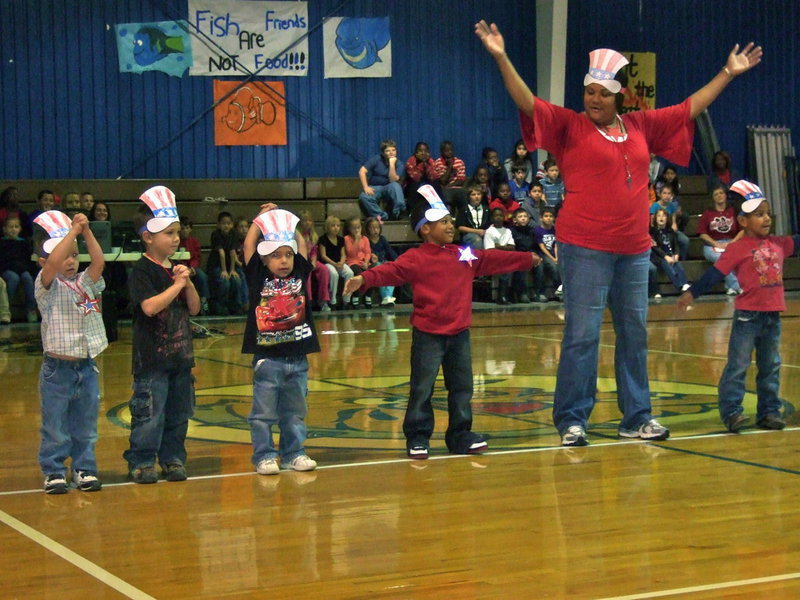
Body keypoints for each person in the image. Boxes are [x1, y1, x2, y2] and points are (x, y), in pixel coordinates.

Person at [476, 18, 762, 446]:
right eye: (589, 92)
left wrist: (727, 73)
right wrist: (501, 57)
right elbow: (528, 103)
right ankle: (572, 419)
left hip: (633, 250)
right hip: (584, 248)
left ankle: (637, 416)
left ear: (618, 97)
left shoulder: (641, 126)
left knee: (634, 334)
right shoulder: (570, 126)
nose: (593, 99)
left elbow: (689, 108)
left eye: (602, 94)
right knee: (581, 336)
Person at [344, 185, 540, 458]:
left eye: (450, 220)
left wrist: (524, 260)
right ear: (425, 229)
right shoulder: (416, 257)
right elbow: (391, 271)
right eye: (444, 222)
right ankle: (418, 436)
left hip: (459, 334)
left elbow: (489, 258)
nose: (451, 225)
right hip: (428, 335)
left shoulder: (462, 254)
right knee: (422, 388)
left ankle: (460, 435)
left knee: (462, 388)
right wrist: (363, 279)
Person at [677, 181, 797, 433]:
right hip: (747, 318)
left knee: (771, 366)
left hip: (772, 317)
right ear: (742, 222)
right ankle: (731, 412)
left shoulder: (779, 244)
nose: (766, 219)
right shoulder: (737, 249)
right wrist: (692, 294)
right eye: (759, 214)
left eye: (767, 213)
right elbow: (714, 275)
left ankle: (769, 411)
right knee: (738, 365)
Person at [124, 186, 200, 484]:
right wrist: (177, 286)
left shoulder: (178, 270)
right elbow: (150, 307)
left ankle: (172, 458)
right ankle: (142, 461)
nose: (176, 238)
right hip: (152, 361)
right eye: (169, 233)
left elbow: (193, 309)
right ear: (148, 237)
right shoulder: (142, 270)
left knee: (178, 416)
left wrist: (188, 284)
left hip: (181, 359)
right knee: (149, 416)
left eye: (177, 232)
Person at [33, 211, 107, 494]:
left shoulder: (86, 282)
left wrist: (85, 232)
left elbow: (99, 261)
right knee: (55, 424)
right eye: (64, 255)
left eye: (74, 255)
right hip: (57, 369)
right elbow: (53, 262)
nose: (70, 260)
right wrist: (71, 232)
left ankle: (84, 467)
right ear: (43, 262)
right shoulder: (46, 286)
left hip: (86, 367)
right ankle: (53, 470)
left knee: (86, 424)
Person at [242, 206, 320, 474]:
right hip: (268, 359)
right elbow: (249, 244)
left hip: (298, 358)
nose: (284, 261)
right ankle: (264, 456)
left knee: (295, 412)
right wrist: (261, 220)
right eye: (276, 256)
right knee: (263, 414)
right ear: (264, 260)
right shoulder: (258, 275)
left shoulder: (299, 270)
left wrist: (289, 223)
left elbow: (301, 242)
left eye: (287, 255)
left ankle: (293, 454)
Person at [697, 186, 744, 295]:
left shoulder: (734, 210)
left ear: (726, 195)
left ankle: (730, 287)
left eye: (721, 193)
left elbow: (743, 230)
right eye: (716, 194)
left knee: (735, 256)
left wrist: (732, 242)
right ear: (713, 198)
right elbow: (702, 233)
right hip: (712, 245)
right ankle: (736, 285)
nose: (719, 196)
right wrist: (715, 243)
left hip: (732, 242)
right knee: (721, 258)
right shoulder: (708, 213)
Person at [207, 211, 245, 315]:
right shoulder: (216, 234)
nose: (226, 226)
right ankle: (221, 307)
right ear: (218, 224)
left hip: (228, 266)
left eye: (228, 223)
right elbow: (222, 253)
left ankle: (236, 306)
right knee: (225, 282)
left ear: (232, 224)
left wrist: (232, 270)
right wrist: (224, 270)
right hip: (216, 265)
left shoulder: (233, 234)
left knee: (236, 280)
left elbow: (232, 252)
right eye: (223, 223)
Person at [0, 215, 38, 322]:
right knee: (14, 278)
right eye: (10, 227)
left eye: (16, 227)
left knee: (28, 278)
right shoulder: (2, 243)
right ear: (5, 229)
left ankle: (31, 309)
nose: (13, 229)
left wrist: (27, 270)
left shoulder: (23, 243)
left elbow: (27, 259)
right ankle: (6, 307)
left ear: (20, 229)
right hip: (7, 269)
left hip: (22, 269)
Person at [358, 139, 406, 221]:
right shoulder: (377, 159)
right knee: (363, 196)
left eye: (393, 150)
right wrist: (366, 187)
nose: (391, 152)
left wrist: (391, 164)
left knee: (396, 185)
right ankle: (382, 216)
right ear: (383, 153)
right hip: (376, 187)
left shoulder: (399, 164)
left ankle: (397, 213)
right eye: (388, 151)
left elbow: (392, 179)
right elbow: (362, 171)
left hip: (390, 187)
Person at [649, 208, 689, 299]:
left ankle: (685, 283)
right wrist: (665, 256)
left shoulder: (670, 231)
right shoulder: (652, 232)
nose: (661, 218)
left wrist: (676, 254)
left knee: (678, 265)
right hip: (658, 257)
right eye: (659, 216)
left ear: (667, 218)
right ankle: (679, 286)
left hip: (670, 255)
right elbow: (655, 248)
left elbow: (675, 244)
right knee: (667, 265)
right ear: (655, 218)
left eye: (663, 215)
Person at [296, 210, 332, 312]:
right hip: (300, 261)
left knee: (324, 270)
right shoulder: (297, 235)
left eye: (309, 220)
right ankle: (308, 301)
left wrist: (313, 261)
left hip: (311, 260)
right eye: (304, 220)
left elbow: (314, 251)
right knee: (307, 272)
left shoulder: (313, 235)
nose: (307, 223)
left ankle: (323, 300)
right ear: (299, 222)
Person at [318, 215, 354, 309]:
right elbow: (323, 255)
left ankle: (346, 300)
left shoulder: (341, 239)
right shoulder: (323, 239)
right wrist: (334, 264)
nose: (336, 228)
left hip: (339, 263)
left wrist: (342, 263)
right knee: (334, 274)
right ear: (327, 227)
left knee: (350, 273)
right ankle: (333, 300)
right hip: (328, 263)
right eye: (333, 225)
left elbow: (343, 254)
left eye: (338, 226)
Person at [509, 207, 543, 303]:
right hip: (519, 256)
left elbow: (536, 245)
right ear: (515, 219)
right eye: (520, 217)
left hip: (532, 255)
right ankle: (522, 293)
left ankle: (538, 293)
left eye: (525, 216)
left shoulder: (532, 231)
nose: (523, 218)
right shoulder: (511, 231)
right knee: (522, 266)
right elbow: (514, 247)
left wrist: (538, 255)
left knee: (540, 266)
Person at [483, 206, 516, 304]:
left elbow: (512, 247)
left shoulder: (508, 231)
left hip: (506, 256)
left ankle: (508, 294)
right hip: (492, 257)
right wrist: (503, 248)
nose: (498, 217)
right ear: (492, 218)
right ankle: (502, 296)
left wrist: (499, 246)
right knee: (505, 266)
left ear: (504, 217)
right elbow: (490, 249)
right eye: (496, 215)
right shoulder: (489, 231)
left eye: (500, 215)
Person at [178, 216, 210, 314]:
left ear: (191, 229)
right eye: (182, 228)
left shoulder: (194, 241)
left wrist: (192, 268)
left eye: (187, 228)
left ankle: (204, 301)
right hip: (179, 268)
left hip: (192, 268)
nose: (185, 231)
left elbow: (197, 257)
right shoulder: (176, 241)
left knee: (202, 277)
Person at [649, 183, 689, 259]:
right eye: (664, 193)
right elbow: (652, 224)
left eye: (669, 193)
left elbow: (673, 219)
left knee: (685, 240)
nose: (666, 196)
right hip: (658, 232)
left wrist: (674, 224)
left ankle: (682, 259)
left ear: (671, 195)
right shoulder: (654, 206)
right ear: (660, 194)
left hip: (670, 231)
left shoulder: (672, 206)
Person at [364, 216, 398, 307]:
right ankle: (385, 296)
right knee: (380, 268)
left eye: (377, 227)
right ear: (367, 229)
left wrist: (397, 260)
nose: (375, 230)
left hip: (384, 262)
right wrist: (371, 255)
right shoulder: (366, 240)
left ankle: (388, 296)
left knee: (391, 269)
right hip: (373, 264)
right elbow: (365, 252)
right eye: (372, 228)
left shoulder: (382, 239)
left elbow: (389, 251)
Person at [343, 216, 373, 308]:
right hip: (352, 262)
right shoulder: (347, 239)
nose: (356, 230)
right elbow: (351, 253)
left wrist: (366, 262)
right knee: (358, 274)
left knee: (372, 273)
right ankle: (356, 296)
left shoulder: (365, 239)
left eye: (358, 227)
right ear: (349, 229)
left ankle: (368, 296)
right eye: (354, 228)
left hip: (363, 262)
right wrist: (356, 240)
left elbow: (368, 252)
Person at [534, 207, 561, 300]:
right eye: (546, 216)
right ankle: (541, 293)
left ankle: (558, 291)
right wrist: (553, 259)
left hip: (554, 255)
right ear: (541, 218)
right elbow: (542, 247)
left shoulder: (555, 229)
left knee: (560, 266)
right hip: (543, 255)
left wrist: (556, 257)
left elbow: (556, 245)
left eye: (551, 216)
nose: (548, 218)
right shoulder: (538, 230)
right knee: (551, 266)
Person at [433, 140, 467, 209]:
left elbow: (461, 180)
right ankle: (448, 215)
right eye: (447, 151)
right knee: (446, 195)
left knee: (463, 195)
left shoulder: (459, 162)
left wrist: (449, 186)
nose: (450, 152)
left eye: (451, 150)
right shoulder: (438, 163)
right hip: (444, 189)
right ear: (442, 152)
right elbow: (443, 181)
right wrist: (450, 166)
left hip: (457, 188)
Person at [456, 184, 490, 249]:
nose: (476, 196)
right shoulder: (464, 209)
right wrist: (477, 231)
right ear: (469, 197)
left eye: (478, 194)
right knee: (477, 239)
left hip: (485, 233)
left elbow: (491, 223)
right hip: (469, 234)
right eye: (473, 194)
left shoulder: (486, 209)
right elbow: (460, 227)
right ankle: (479, 258)